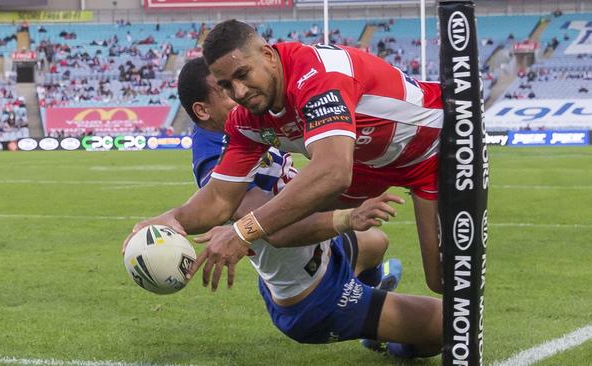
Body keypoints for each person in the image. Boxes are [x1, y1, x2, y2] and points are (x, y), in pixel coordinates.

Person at [133, 57, 442, 357]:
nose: (238, 94)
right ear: (202, 110)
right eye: (226, 90)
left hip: (321, 253)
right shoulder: (216, 164)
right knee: (449, 325)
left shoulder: (243, 127)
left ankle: (374, 308)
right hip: (315, 299)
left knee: (376, 242)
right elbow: (278, 231)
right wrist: (348, 216)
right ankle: (386, 337)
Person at [140, 20, 446, 294]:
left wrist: (243, 231)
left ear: (268, 56)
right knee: (282, 224)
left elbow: (333, 171)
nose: (239, 91)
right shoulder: (246, 119)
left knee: (447, 280)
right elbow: (220, 198)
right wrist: (174, 219)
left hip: (438, 145)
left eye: (243, 74)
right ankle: (372, 305)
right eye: (225, 86)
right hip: (374, 164)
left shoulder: (316, 75)